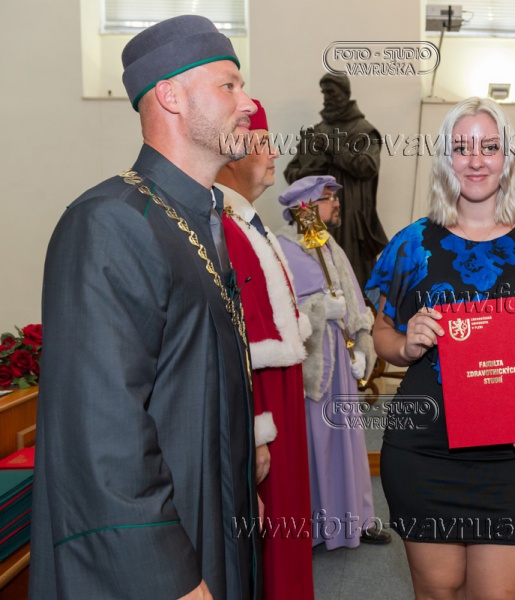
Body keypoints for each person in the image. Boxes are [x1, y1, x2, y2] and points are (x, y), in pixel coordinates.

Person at [31, 15, 261, 599]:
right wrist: (169, 578)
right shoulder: (110, 222)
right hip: (154, 558)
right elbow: (102, 431)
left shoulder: (198, 219)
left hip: (209, 512)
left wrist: (239, 487)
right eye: (229, 85)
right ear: (170, 96)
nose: (249, 103)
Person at [365, 97, 515, 599]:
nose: (476, 160)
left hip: (512, 452)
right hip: (424, 449)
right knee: (436, 590)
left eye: (489, 146)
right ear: (446, 157)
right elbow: (383, 337)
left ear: (507, 156)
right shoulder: (413, 245)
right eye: (462, 147)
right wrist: (407, 343)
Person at [216, 101, 315, 599]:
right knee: (271, 535)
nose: (276, 153)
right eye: (264, 144)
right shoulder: (222, 226)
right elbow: (239, 341)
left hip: (281, 393)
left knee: (289, 521)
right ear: (233, 154)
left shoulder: (248, 221)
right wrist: (255, 433)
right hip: (264, 402)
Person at [276, 175, 391, 548]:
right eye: (328, 198)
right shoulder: (281, 248)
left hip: (342, 363)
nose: (337, 204)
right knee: (318, 444)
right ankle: (316, 528)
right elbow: (278, 310)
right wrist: (318, 309)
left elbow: (354, 300)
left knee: (349, 441)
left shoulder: (329, 245)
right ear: (306, 207)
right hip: (312, 367)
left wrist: (362, 347)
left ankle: (357, 520)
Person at [284, 73, 388, 285]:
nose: (326, 97)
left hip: (347, 217)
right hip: (310, 215)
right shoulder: (316, 132)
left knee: (351, 279)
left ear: (345, 93)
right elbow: (290, 172)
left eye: (331, 92)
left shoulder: (363, 130)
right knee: (313, 275)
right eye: (324, 93)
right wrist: (308, 173)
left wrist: (333, 148)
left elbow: (368, 167)